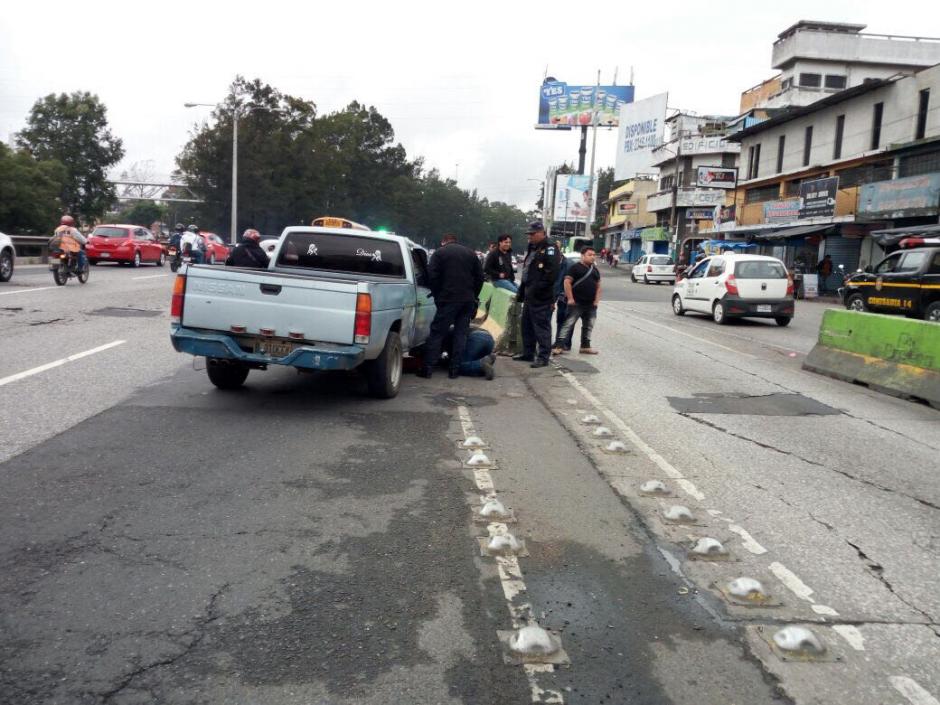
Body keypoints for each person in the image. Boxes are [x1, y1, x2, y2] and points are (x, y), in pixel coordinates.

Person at [419, 233, 484, 379]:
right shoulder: (470, 253)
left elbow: (432, 276)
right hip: (467, 300)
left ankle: (427, 368)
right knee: (461, 334)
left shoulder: (439, 253)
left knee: (437, 333)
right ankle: (454, 370)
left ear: (444, 242)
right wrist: (473, 295)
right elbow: (480, 277)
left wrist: (437, 294)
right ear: (456, 241)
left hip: (448, 299)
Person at [513, 221, 560, 368]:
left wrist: (537, 288)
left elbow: (551, 274)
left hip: (541, 295)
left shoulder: (550, 249)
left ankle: (543, 356)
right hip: (529, 293)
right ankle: (528, 353)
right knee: (526, 325)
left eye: (532, 234)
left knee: (541, 326)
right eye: (529, 234)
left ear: (541, 233)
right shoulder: (532, 248)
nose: (530, 237)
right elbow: (527, 271)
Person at [553, 247, 601, 355]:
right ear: (583, 256)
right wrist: (570, 298)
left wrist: (596, 301)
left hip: (590, 304)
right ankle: (559, 345)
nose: (593, 257)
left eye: (594, 255)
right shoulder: (575, 268)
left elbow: (598, 286)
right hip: (577, 303)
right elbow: (567, 282)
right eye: (590, 255)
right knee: (568, 324)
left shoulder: (594, 270)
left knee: (588, 325)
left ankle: (585, 346)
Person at [553, 240, 572, 352]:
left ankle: (565, 343)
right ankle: (558, 342)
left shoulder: (568, 264)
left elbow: (568, 282)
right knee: (559, 320)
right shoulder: (551, 262)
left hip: (565, 295)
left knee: (565, 319)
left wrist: (566, 295)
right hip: (555, 294)